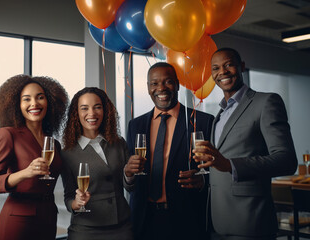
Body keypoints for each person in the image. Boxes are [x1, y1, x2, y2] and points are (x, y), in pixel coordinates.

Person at [193, 48, 298, 240]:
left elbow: (287, 160)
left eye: (228, 65)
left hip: (251, 222)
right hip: (216, 222)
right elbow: (219, 166)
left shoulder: (266, 102)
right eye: (215, 68)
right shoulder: (219, 115)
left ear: (241, 67)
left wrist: (230, 165)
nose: (222, 72)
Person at [124, 62, 214, 240]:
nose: (161, 88)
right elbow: (130, 180)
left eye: (168, 82)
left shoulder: (203, 121)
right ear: (149, 88)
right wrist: (127, 174)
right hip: (144, 220)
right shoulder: (136, 125)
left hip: (187, 220)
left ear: (178, 85)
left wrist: (203, 181)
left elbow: (218, 171)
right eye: (154, 83)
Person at [0, 75, 69, 240]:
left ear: (49, 102)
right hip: (18, 219)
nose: (34, 104)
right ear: (17, 105)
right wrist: (26, 172)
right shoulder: (8, 134)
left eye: (40, 97)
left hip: (49, 217)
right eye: (26, 99)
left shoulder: (54, 143)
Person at [61, 87, 133, 240]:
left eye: (97, 107)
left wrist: (129, 175)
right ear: (76, 114)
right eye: (84, 108)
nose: (92, 113)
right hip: (86, 230)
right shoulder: (67, 153)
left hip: (122, 227)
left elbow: (131, 187)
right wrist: (76, 203)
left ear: (105, 111)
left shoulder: (118, 143)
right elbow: (68, 198)